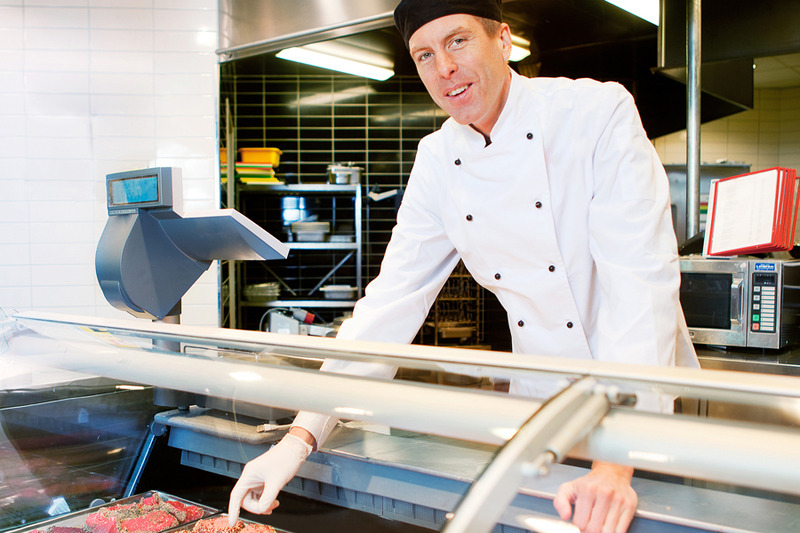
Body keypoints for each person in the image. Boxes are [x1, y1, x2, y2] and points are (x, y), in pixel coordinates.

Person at [229, 1, 700, 531]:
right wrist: (299, 439)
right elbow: (390, 303)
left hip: (640, 415)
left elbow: (638, 285)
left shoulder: (595, 113)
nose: (444, 68)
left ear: (502, 40)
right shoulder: (436, 159)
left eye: (457, 41)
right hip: (543, 411)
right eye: (424, 55)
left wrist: (615, 466)